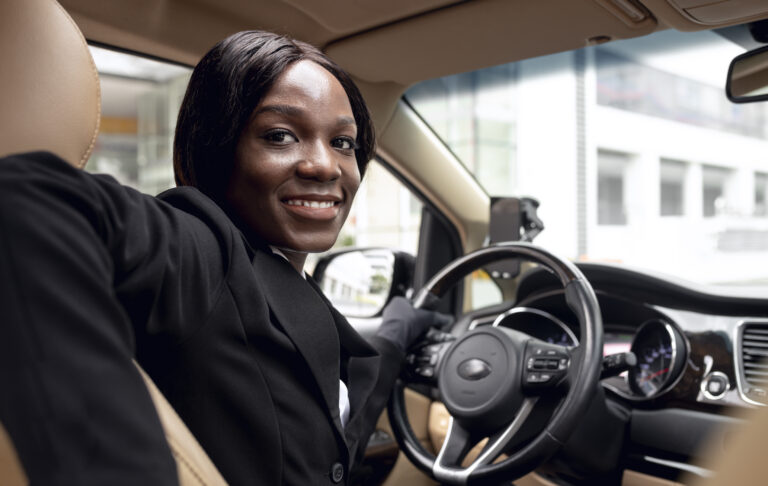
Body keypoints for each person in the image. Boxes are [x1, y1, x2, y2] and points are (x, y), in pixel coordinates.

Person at [0, 31, 449, 485]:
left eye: (343, 143)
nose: (325, 165)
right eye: (280, 136)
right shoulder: (202, 248)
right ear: (217, 149)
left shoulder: (281, 279)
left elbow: (324, 435)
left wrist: (396, 336)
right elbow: (24, 204)